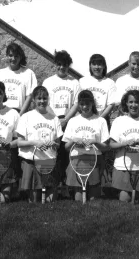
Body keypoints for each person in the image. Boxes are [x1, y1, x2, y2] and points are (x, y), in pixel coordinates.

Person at [16, 86, 63, 203]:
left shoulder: (54, 119)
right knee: (34, 200)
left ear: (48, 99)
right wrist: (34, 142)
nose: (42, 101)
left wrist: (52, 144)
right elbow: (19, 143)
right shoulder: (26, 117)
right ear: (34, 100)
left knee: (50, 200)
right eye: (39, 98)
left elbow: (58, 145)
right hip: (31, 161)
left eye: (45, 98)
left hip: (49, 161)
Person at [42, 50, 80, 191]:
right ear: (55, 65)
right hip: (52, 121)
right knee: (53, 152)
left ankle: (68, 182)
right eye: (59, 64)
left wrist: (66, 119)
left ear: (68, 65)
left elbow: (76, 103)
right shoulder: (48, 82)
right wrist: (57, 119)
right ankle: (53, 183)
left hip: (69, 122)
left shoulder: (74, 82)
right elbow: (45, 102)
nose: (61, 67)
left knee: (67, 153)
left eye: (64, 65)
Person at [110, 90, 139, 202]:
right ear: (126, 103)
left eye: (137, 102)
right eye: (130, 102)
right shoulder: (118, 121)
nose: (133, 105)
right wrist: (125, 143)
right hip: (123, 167)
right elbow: (111, 144)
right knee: (124, 199)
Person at [63, 90, 109, 201]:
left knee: (94, 199)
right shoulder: (73, 121)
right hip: (77, 160)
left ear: (92, 104)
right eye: (82, 104)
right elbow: (66, 147)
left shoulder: (101, 121)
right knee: (78, 199)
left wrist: (95, 142)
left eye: (87, 104)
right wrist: (74, 140)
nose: (84, 107)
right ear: (78, 105)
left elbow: (106, 147)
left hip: (95, 160)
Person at [0, 42, 37, 116]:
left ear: (20, 57)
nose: (13, 59)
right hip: (1, 113)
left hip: (19, 113)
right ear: (7, 56)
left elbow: (29, 97)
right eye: (10, 55)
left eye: (16, 56)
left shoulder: (28, 73)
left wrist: (20, 115)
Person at [79, 54, 116, 129]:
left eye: (99, 64)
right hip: (85, 119)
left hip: (103, 119)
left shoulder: (110, 83)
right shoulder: (82, 81)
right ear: (90, 66)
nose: (96, 67)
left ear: (104, 66)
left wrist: (99, 119)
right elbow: (78, 102)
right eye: (94, 64)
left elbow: (111, 104)